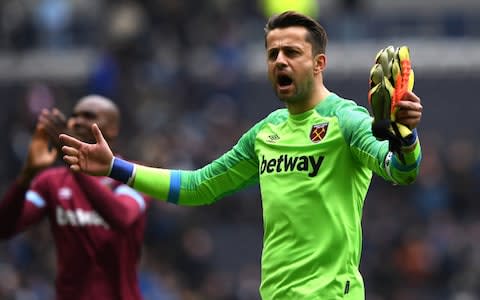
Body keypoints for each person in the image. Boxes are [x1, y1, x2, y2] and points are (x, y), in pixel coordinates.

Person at [60, 11, 423, 300]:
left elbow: (400, 169)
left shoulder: (347, 120)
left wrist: (405, 135)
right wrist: (113, 167)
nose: (280, 61)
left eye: (292, 52)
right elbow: (198, 186)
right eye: (273, 53)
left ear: (318, 63)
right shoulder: (266, 133)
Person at [0, 95, 151, 300]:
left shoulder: (134, 176)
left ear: (113, 129)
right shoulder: (51, 182)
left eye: (89, 116)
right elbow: (5, 227)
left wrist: (73, 164)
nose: (77, 121)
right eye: (74, 115)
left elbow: (121, 216)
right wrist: (27, 173)